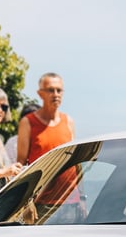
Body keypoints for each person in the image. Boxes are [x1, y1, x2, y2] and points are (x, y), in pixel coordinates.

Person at [16, 71, 82, 220]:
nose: (56, 94)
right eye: (50, 90)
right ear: (40, 94)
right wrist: (26, 202)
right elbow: (21, 164)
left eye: (59, 90)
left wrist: (82, 198)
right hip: (41, 203)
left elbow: (76, 163)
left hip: (70, 201)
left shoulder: (68, 122)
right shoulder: (28, 123)